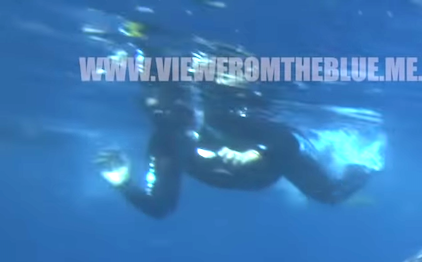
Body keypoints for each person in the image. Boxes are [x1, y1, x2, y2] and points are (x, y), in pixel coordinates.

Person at [96, 40, 385, 219]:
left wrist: (256, 154)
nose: (157, 104)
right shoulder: (165, 142)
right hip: (238, 175)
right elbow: (160, 207)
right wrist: (122, 183)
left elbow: (288, 142)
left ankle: (366, 161)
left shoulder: (224, 114)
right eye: (151, 97)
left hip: (268, 166)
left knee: (330, 195)